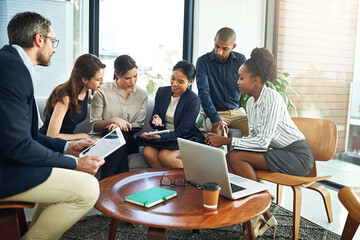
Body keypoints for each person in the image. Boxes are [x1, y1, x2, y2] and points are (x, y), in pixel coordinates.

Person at [0, 11, 105, 240]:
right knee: (88, 189)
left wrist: (67, 149)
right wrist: (75, 163)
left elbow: (30, 136)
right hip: (5, 171)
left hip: (9, 160)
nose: (54, 48)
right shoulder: (12, 70)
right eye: (53, 41)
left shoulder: (11, 64)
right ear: (39, 39)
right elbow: (20, 145)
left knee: (68, 174)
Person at [205, 47, 314, 238]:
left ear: (255, 81)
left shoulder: (272, 98)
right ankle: (255, 213)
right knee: (231, 157)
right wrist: (228, 137)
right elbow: (254, 138)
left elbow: (263, 142)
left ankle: (259, 211)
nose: (237, 82)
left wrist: (226, 140)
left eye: (241, 78)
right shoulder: (250, 103)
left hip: (298, 156)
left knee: (236, 156)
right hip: (280, 152)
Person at [90, 55, 148, 177]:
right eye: (127, 78)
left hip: (130, 140)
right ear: (117, 75)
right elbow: (94, 124)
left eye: (135, 76)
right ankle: (119, 185)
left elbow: (139, 124)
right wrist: (112, 122)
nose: (133, 81)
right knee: (117, 140)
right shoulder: (102, 92)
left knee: (119, 136)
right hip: (104, 137)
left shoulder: (142, 95)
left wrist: (120, 127)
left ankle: (104, 182)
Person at [141, 60, 205, 168]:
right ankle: (165, 181)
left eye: (180, 82)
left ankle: (189, 182)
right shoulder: (162, 92)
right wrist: (155, 121)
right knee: (147, 151)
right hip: (165, 136)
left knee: (165, 156)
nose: (174, 84)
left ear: (190, 81)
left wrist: (160, 137)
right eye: (172, 78)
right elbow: (153, 120)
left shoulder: (193, 100)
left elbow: (183, 131)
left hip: (185, 137)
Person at [196, 27, 248, 137]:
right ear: (214, 40)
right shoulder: (203, 62)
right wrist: (215, 118)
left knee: (258, 131)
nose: (219, 52)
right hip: (216, 113)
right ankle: (224, 155)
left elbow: (249, 87)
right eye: (217, 46)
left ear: (233, 47)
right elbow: (203, 93)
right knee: (219, 133)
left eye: (225, 49)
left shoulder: (240, 60)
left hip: (237, 112)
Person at [39, 53, 106, 140]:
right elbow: (51, 135)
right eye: (98, 79)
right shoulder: (65, 98)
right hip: (47, 143)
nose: (102, 82)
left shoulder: (87, 92)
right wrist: (83, 136)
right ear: (84, 80)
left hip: (67, 141)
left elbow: (100, 103)